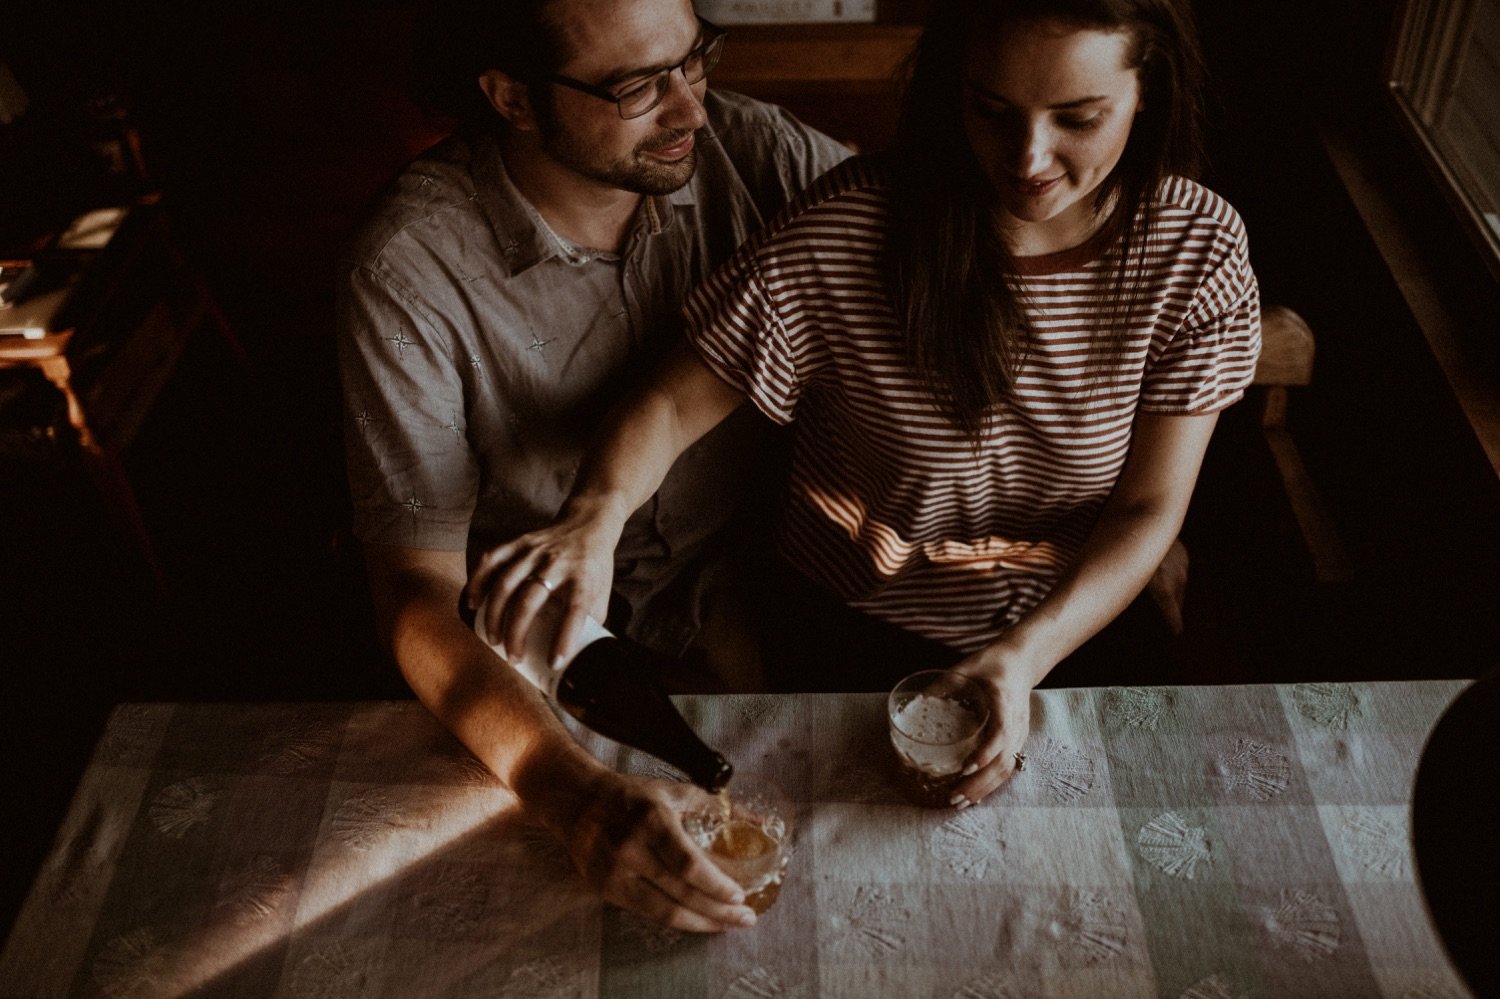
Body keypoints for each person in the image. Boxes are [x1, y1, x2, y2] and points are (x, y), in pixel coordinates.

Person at [471, 0, 1261, 812]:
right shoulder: (852, 227)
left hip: (1076, 620)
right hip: (845, 630)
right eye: (992, 111)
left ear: (1146, 93)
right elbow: (673, 401)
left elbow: (1147, 506)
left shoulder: (1194, 250)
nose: (1028, 158)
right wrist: (593, 519)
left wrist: (1023, 658)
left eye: (1078, 118)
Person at [336, 0, 849, 932]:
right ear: (511, 97)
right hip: (543, 654)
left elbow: (946, 236)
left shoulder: (751, 148)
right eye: (636, 86)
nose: (691, 109)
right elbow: (413, 588)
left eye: (694, 61)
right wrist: (569, 795)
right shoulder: (408, 266)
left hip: (760, 580)